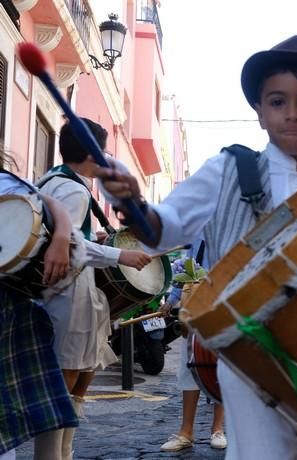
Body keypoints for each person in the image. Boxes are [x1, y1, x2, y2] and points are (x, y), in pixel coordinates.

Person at [96, 35, 297, 460]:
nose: (292, 114)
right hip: (251, 357)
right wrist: (133, 203)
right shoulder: (228, 171)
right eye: (277, 101)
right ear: (259, 111)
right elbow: (165, 227)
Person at [37, 118, 152, 460]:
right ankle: (55, 455)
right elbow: (70, 247)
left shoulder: (50, 179)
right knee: (67, 374)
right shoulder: (74, 189)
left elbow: (68, 236)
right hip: (70, 292)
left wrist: (94, 239)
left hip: (55, 291)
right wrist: (121, 254)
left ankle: (63, 452)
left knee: (77, 371)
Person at [0, 151, 78, 459]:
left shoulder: (6, 182)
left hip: (13, 308)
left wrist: (60, 237)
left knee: (42, 410)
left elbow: (51, 203)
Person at [158, 239, 226, 452]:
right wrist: (172, 299)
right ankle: (185, 432)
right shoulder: (199, 233)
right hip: (195, 306)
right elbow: (188, 266)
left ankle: (218, 429)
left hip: (225, 305)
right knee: (189, 367)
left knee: (221, 369)